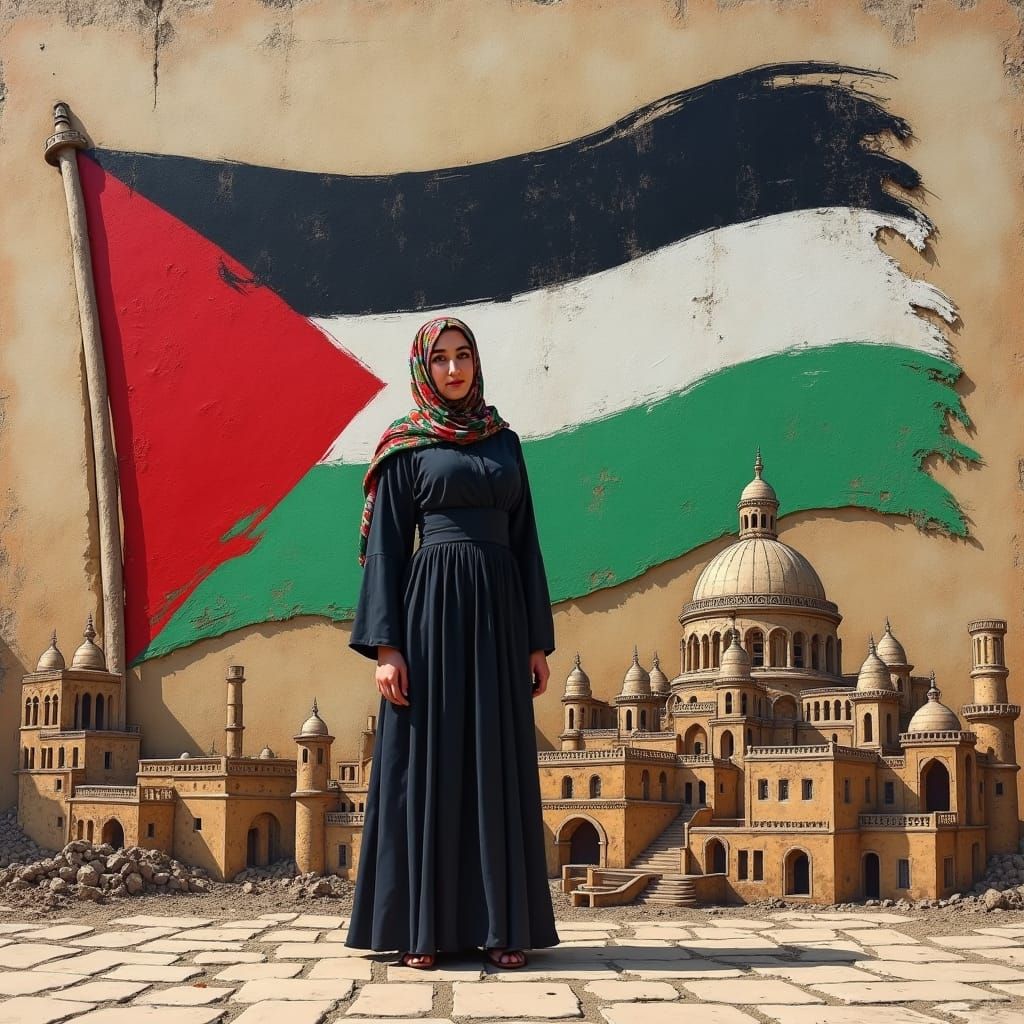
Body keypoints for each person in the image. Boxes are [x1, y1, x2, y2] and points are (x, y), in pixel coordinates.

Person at [345, 315, 559, 970]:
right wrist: (386, 647)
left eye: (464, 355)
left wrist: (535, 642)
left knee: (495, 763)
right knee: (429, 766)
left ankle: (503, 927)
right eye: (440, 359)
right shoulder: (405, 447)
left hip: (499, 624)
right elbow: (385, 550)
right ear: (423, 369)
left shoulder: (506, 443)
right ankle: (423, 929)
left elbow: (525, 543)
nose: (454, 369)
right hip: (430, 622)